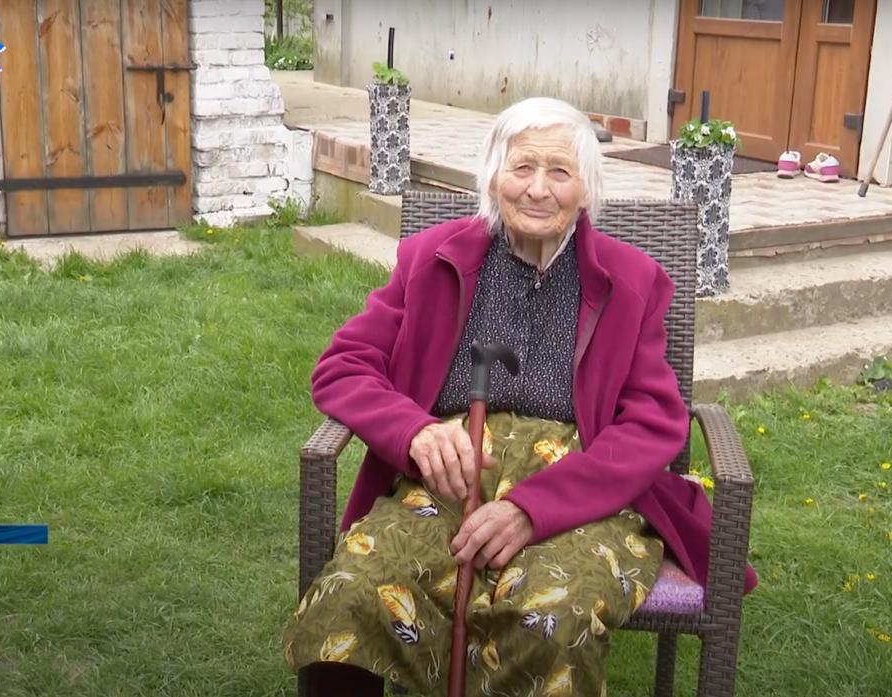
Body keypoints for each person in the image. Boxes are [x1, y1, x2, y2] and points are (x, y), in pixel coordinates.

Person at [283, 97, 757, 697]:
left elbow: (654, 422)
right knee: (349, 596)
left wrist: (533, 508)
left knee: (551, 615)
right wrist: (415, 430)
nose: (537, 189)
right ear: (492, 178)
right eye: (522, 168)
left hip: (582, 491)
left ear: (585, 189)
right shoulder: (432, 259)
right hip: (447, 480)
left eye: (559, 172)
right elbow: (343, 365)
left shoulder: (631, 280)